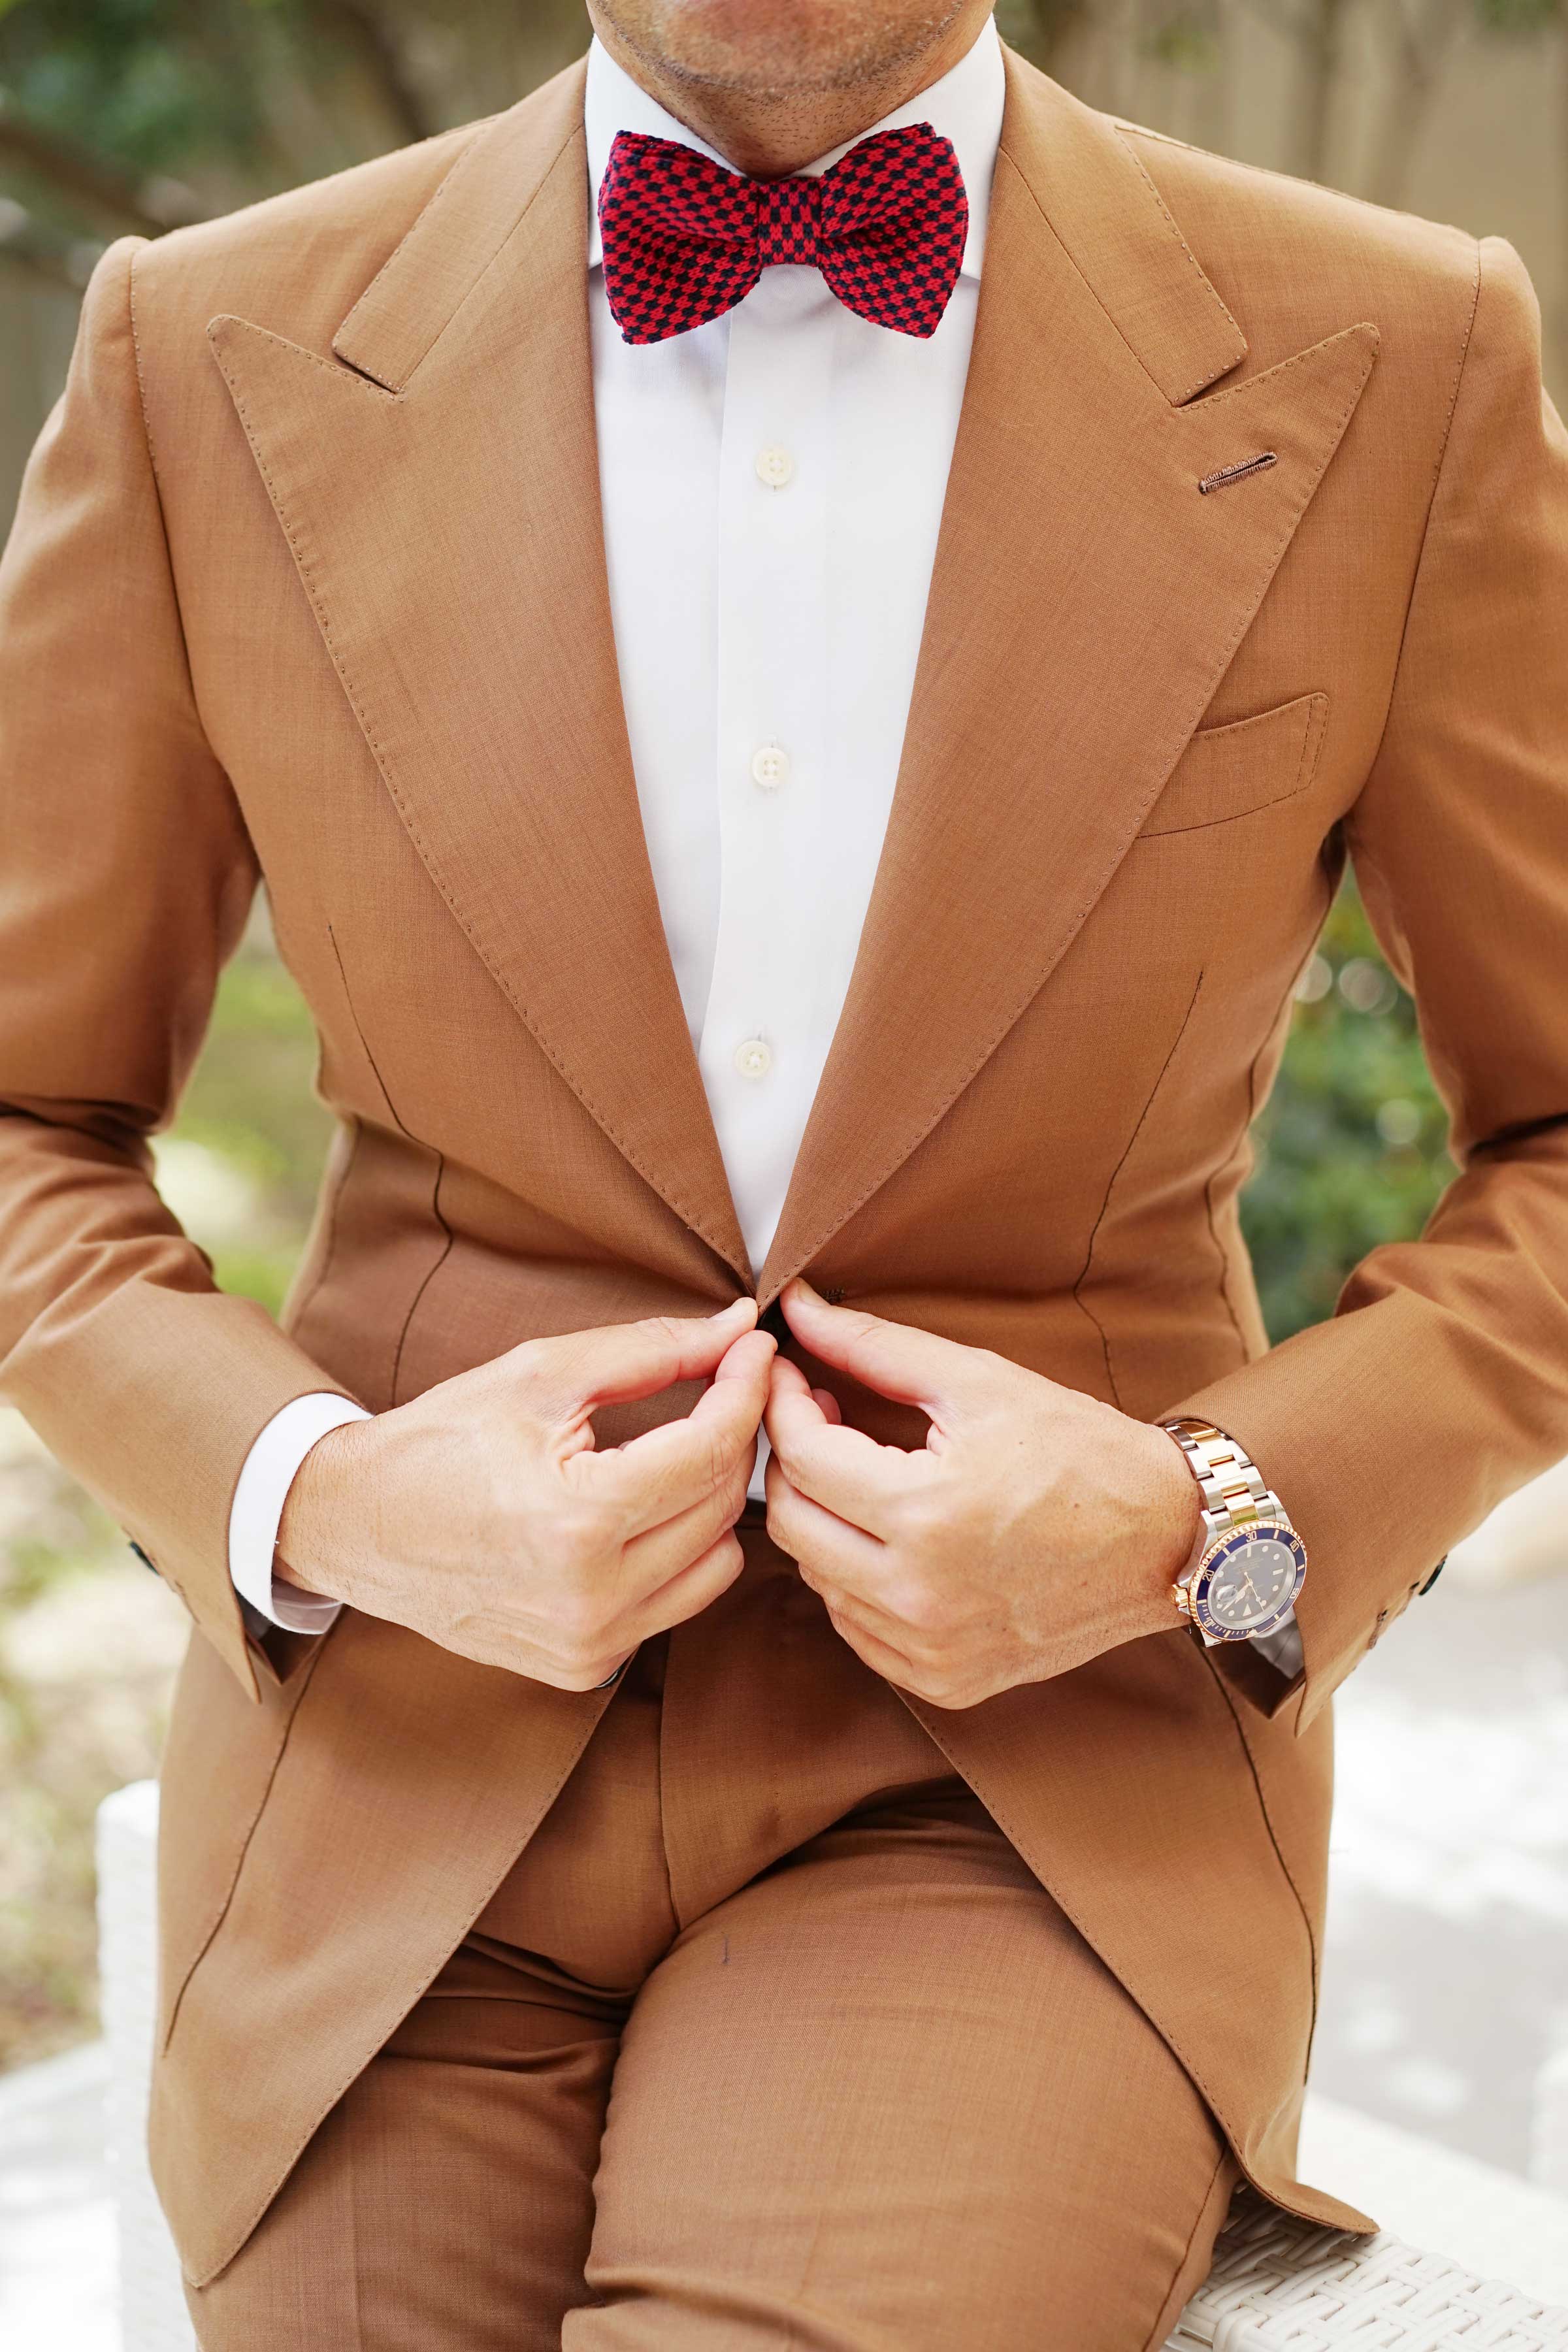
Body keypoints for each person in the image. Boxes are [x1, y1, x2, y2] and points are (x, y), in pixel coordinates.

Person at [1, 0, 1565, 2342]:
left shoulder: (1399, 347)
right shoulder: (198, 346)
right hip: (402, 1767)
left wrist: (1199, 1511)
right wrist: (322, 1496)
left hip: (1023, 1781)